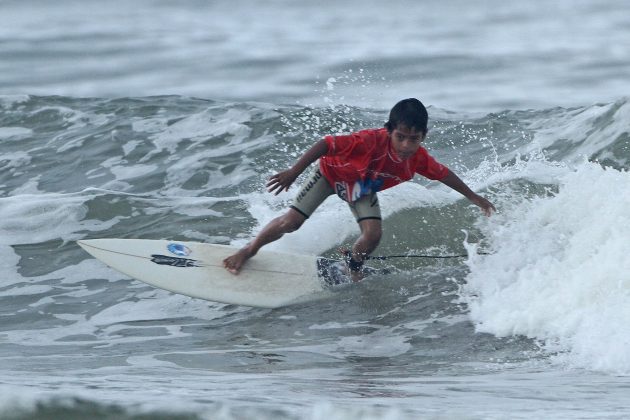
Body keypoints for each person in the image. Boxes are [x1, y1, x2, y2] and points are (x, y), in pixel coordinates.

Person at [223, 98, 495, 278]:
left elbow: (444, 175)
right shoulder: (366, 141)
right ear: (389, 130)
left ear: (423, 136)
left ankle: (352, 267)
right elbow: (326, 144)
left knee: (373, 234)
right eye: (400, 137)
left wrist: (474, 197)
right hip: (330, 175)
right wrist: (294, 172)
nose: (406, 146)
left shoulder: (418, 158)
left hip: (361, 186)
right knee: (292, 221)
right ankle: (249, 250)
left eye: (414, 139)